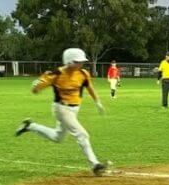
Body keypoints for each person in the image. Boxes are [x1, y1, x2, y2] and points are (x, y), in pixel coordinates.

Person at [15, 47, 110, 176]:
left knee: (57, 137)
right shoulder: (57, 74)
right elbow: (36, 90)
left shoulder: (83, 74)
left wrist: (97, 102)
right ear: (69, 61)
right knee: (82, 134)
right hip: (62, 108)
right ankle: (95, 165)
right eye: (77, 61)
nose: (81, 64)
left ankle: (30, 126)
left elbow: (90, 88)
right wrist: (37, 84)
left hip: (74, 109)